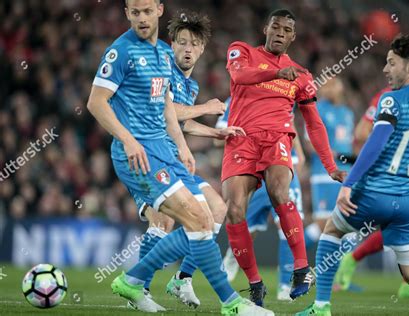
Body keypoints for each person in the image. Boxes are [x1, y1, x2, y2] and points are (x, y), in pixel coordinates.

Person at [86, 1, 273, 315]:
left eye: (147, 10)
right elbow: (95, 102)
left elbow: (167, 111)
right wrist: (128, 139)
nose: (141, 18)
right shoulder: (121, 52)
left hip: (165, 150)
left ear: (159, 10)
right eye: (135, 12)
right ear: (127, 13)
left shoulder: (161, 53)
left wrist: (187, 146)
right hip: (140, 155)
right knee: (192, 220)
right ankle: (229, 303)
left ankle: (137, 280)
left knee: (210, 213)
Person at [296, 35, 409, 316]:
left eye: (391, 63)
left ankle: (321, 307)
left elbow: (375, 143)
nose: (385, 69)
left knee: (332, 230)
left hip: (374, 193)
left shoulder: (391, 100)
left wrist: (349, 184)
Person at [221, 9, 346, 306]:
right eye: (275, 26)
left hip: (276, 139)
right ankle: (254, 284)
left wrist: (330, 166)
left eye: (285, 29)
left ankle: (302, 268)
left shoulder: (301, 76)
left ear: (292, 36)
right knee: (235, 210)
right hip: (240, 140)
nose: (279, 32)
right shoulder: (242, 51)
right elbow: (240, 75)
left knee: (279, 191)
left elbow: (314, 123)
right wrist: (276, 72)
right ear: (265, 28)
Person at [131, 10, 243, 309]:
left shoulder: (190, 85)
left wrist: (217, 134)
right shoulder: (162, 72)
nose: (187, 49)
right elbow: (167, 112)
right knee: (163, 219)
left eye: (193, 43)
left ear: (203, 48)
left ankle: (182, 277)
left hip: (172, 159)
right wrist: (206, 107)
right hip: (148, 155)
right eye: (181, 42)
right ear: (172, 45)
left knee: (218, 210)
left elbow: (183, 123)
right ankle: (137, 290)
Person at [334, 85, 409, 300]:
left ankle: (408, 283)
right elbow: (362, 132)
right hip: (394, 171)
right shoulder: (386, 96)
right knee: (405, 221)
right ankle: (352, 258)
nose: (387, 68)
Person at [217, 99, 306, 302]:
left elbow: (289, 123)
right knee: (249, 228)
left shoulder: (281, 92)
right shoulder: (237, 98)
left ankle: (285, 284)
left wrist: (298, 154)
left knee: (289, 223)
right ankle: (235, 255)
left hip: (280, 161)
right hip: (251, 165)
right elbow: (217, 136)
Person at [303, 78, 354, 249]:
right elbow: (309, 144)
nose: (329, 88)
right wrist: (328, 154)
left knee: (347, 222)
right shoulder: (316, 109)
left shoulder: (347, 112)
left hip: (347, 174)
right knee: (323, 223)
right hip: (324, 174)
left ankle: (341, 273)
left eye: (334, 83)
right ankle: (293, 256)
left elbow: (351, 143)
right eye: (326, 85)